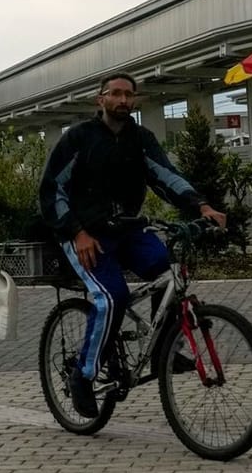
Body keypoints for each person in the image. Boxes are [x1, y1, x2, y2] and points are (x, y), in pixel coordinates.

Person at [38, 72, 229, 419]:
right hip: (84, 234)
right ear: (101, 100)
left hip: (128, 229)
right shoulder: (78, 139)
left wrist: (200, 205)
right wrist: (76, 232)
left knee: (167, 271)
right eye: (116, 94)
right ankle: (83, 375)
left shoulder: (140, 139)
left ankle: (161, 352)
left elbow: (165, 174)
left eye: (129, 95)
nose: (123, 100)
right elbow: (52, 190)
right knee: (112, 296)